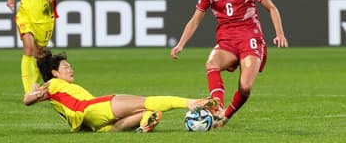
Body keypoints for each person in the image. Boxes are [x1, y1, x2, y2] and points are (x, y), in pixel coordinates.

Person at [170, 0, 288, 128]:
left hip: (251, 39)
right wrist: (180, 44)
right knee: (211, 63)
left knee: (245, 87)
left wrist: (279, 33)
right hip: (227, 41)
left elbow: (272, 8)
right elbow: (195, 20)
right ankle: (217, 108)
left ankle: (225, 116)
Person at [23, 49, 218, 133]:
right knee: (144, 101)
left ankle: (145, 123)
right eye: (66, 67)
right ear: (55, 72)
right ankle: (190, 103)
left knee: (144, 113)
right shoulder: (53, 84)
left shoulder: (60, 88)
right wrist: (37, 93)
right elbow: (27, 100)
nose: (71, 69)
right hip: (93, 108)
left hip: (92, 125)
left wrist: (38, 93)